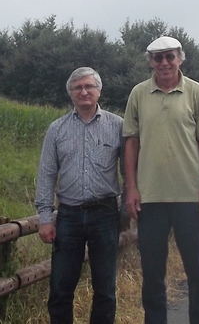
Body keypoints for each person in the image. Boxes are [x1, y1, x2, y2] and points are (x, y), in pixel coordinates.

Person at [124, 36, 199, 324]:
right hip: (150, 198)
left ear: (180, 58)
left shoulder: (195, 92)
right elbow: (131, 143)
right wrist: (131, 188)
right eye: (158, 57)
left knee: (198, 273)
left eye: (169, 57)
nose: (164, 63)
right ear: (150, 61)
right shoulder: (138, 93)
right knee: (152, 275)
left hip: (190, 197)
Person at [34, 67, 125, 324]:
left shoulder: (117, 126)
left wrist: (126, 209)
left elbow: (129, 170)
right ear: (71, 94)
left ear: (99, 91)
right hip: (69, 216)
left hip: (105, 214)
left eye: (89, 86)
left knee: (105, 289)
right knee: (61, 288)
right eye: (78, 88)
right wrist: (45, 216)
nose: (84, 92)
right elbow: (47, 174)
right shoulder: (57, 129)